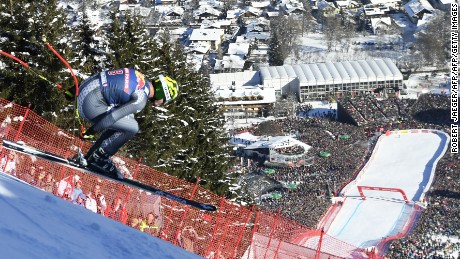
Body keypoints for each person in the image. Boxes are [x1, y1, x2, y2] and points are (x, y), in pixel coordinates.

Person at [72, 68, 179, 179]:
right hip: (89, 106)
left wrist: (74, 91)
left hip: (83, 91)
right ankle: (100, 158)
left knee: (127, 119)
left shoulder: (138, 75)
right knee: (132, 127)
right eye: (165, 100)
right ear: (162, 92)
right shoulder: (141, 98)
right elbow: (113, 117)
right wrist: (91, 131)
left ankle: (91, 157)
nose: (162, 104)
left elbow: (104, 76)